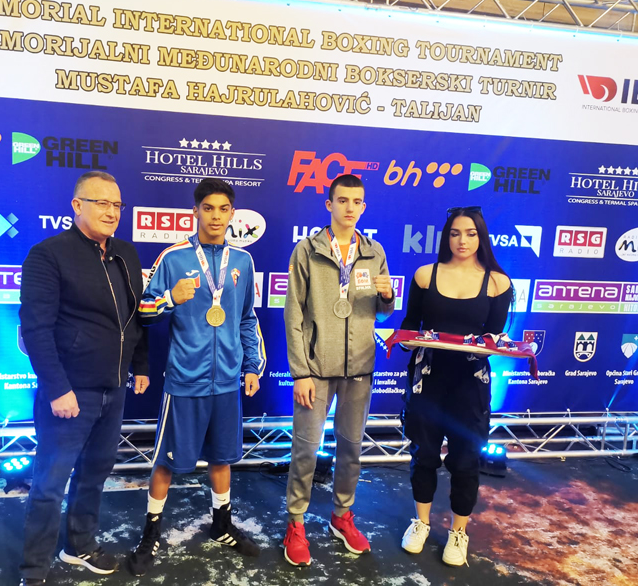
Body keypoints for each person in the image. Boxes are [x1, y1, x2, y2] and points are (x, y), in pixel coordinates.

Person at [126, 177, 266, 577]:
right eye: (208, 208)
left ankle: (221, 524)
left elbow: (246, 318)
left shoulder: (242, 261)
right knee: (166, 462)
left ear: (232, 214)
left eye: (223, 209)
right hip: (185, 379)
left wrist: (252, 365)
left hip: (227, 380)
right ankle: (151, 532)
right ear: (196, 212)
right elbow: (144, 312)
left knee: (222, 458)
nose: (216, 216)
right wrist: (171, 298)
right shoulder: (173, 258)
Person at [18, 171, 150, 586]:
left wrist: (141, 364)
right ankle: (34, 570)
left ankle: (79, 546)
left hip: (115, 389)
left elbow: (136, 316)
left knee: (95, 474)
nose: (112, 212)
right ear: (77, 206)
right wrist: (58, 388)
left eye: (117, 205)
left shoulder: (126, 253)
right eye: (102, 203)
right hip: (70, 393)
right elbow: (36, 329)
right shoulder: (48, 254)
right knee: (49, 484)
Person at [282, 174, 395, 566]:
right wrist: (300, 372)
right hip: (316, 369)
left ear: (364, 207)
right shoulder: (308, 250)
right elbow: (294, 313)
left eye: (357, 201)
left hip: (360, 368)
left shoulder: (374, 252)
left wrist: (387, 296)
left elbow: (383, 312)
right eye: (342, 200)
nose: (350, 208)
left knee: (351, 448)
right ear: (329, 204)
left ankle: (341, 515)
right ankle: (296, 522)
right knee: (306, 450)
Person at [398, 205, 512, 567]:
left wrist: (495, 345)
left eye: (471, 233)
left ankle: (458, 532)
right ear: (446, 237)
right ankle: (421, 523)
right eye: (455, 233)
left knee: (465, 461)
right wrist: (402, 341)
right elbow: (409, 326)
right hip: (428, 380)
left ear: (481, 237)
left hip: (470, 385)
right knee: (424, 455)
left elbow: (495, 337)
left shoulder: (498, 282)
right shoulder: (424, 275)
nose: (462, 240)